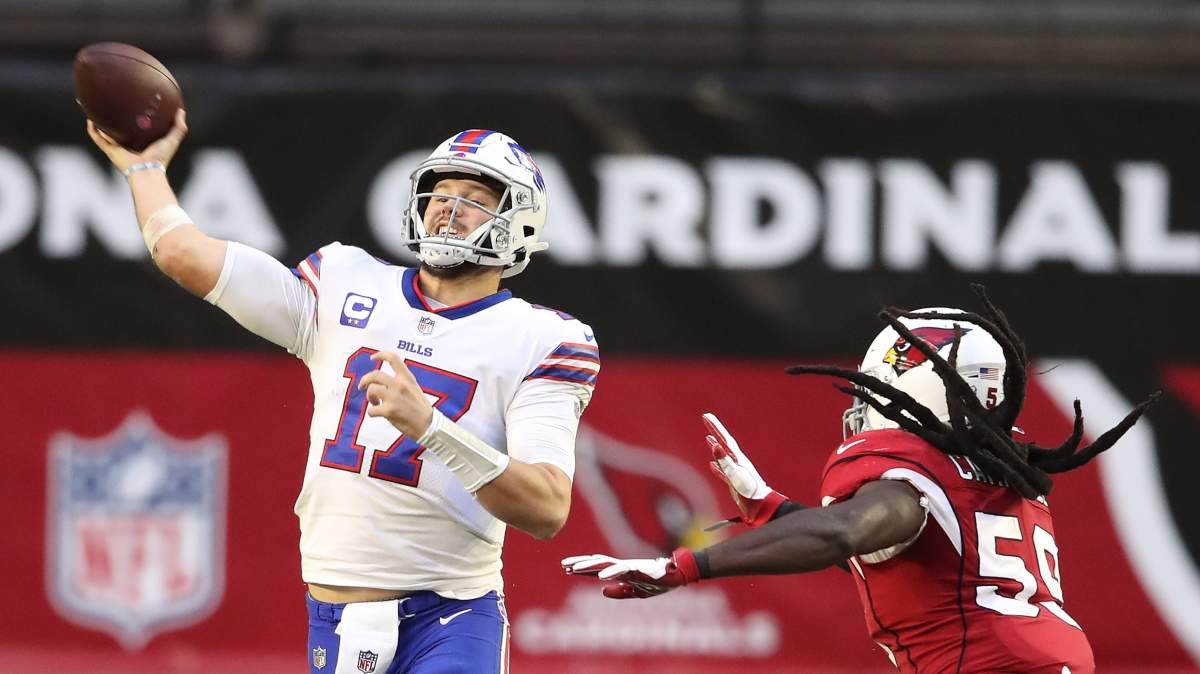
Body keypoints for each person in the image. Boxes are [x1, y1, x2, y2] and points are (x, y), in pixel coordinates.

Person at [88, 114, 599, 673]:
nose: (449, 208)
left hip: (451, 616)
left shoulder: (542, 338)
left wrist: (431, 429)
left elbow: (547, 507)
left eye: (474, 199)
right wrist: (143, 167)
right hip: (335, 618)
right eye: (441, 192)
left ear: (518, 222)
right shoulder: (344, 280)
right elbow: (182, 254)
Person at [563, 286, 1156, 674]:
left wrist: (685, 566)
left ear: (916, 388)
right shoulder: (993, 469)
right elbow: (898, 556)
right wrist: (770, 507)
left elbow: (844, 532)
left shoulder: (911, 470)